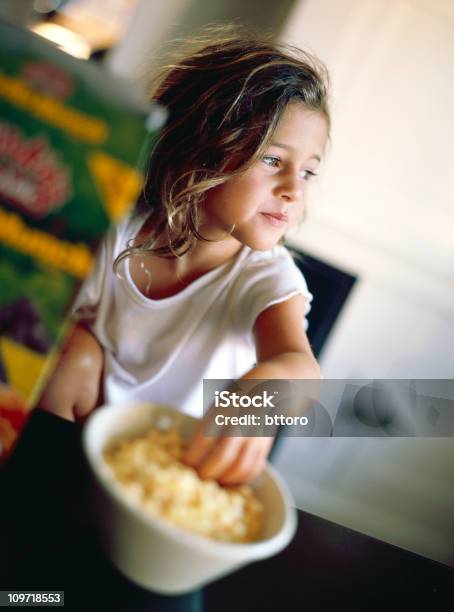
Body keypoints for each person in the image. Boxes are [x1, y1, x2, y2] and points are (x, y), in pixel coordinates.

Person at [39, 26, 329, 485]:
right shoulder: (116, 229)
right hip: (81, 438)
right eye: (273, 161)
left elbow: (299, 366)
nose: (294, 190)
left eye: (309, 172)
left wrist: (260, 393)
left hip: (178, 465)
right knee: (73, 349)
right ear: (201, 149)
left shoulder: (266, 279)